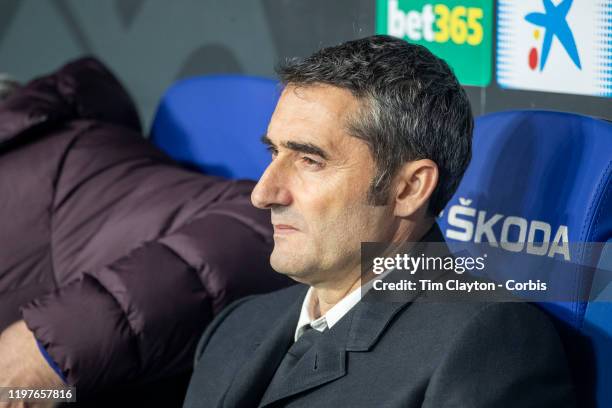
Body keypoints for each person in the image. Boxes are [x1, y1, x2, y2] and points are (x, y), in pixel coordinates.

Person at [182, 35, 575, 407]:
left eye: (310, 160)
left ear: (408, 189)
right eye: (274, 153)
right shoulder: (234, 325)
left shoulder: (488, 346)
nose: (263, 194)